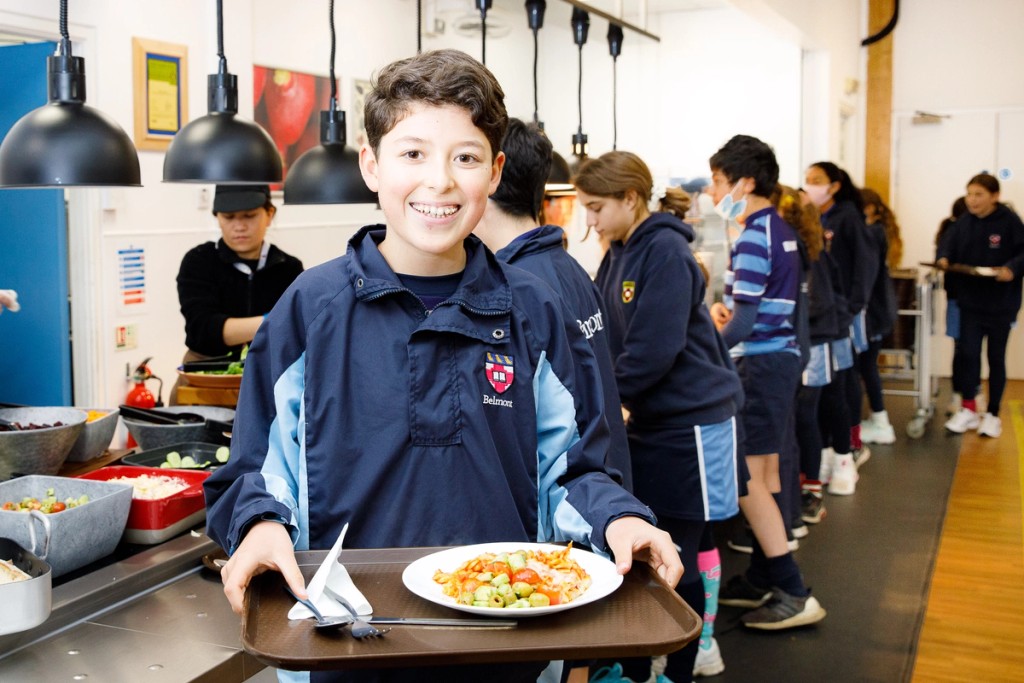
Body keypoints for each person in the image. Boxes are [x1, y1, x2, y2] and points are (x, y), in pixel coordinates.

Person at [203, 49, 682, 683]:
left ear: (495, 171)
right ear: (371, 165)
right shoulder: (309, 310)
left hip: (510, 650)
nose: (440, 182)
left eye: (466, 157)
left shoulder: (535, 310)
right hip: (340, 649)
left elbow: (574, 470)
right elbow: (255, 471)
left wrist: (619, 517)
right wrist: (260, 524)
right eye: (413, 153)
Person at [575, 150, 742, 680]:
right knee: (659, 545)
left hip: (693, 422)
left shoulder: (665, 250)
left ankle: (688, 660)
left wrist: (610, 402)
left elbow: (654, 348)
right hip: (653, 420)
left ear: (630, 198)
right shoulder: (619, 251)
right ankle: (658, 661)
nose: (590, 221)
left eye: (596, 207)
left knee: (685, 547)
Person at [473, 117, 632, 493]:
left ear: (491, 177)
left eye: (465, 161)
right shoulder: (567, 266)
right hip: (604, 483)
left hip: (569, 497)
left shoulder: (515, 289)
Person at [707, 135, 826, 631]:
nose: (713, 193)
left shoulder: (756, 234)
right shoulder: (779, 227)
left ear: (745, 182)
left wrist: (708, 344)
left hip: (760, 365)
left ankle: (793, 590)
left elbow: (745, 322)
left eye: (718, 181)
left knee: (750, 481)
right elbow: (755, 309)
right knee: (766, 474)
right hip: (777, 361)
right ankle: (760, 575)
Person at [173, 184, 303, 401]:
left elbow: (296, 334)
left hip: (268, 383)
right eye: (229, 217)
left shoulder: (288, 268)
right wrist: (277, 320)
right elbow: (205, 329)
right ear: (217, 218)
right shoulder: (199, 261)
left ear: (269, 214)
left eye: (249, 216)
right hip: (203, 380)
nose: (239, 226)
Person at [804, 161, 877, 492]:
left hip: (840, 318)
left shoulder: (847, 218)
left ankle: (847, 451)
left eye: (816, 180)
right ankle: (829, 453)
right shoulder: (814, 227)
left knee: (841, 385)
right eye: (807, 180)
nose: (810, 186)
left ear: (834, 185)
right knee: (825, 392)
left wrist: (852, 308)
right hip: (825, 321)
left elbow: (863, 267)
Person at [937, 173, 1024, 438]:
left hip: (1001, 304)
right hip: (970, 302)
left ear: (994, 196)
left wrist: (1011, 268)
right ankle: (969, 409)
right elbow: (947, 245)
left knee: (995, 358)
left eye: (979, 195)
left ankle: (993, 414)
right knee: (968, 355)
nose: (972, 200)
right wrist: (943, 257)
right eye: (969, 194)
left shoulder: (1010, 221)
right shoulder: (965, 222)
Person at [858, 188, 899, 445]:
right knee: (867, 366)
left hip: (873, 312)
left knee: (866, 366)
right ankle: (878, 418)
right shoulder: (879, 232)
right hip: (878, 310)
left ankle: (880, 420)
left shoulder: (872, 234)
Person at [935, 197, 970, 415]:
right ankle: (959, 395)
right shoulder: (952, 230)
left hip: (978, 299)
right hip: (957, 297)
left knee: (971, 350)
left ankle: (970, 395)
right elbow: (942, 256)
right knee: (961, 349)